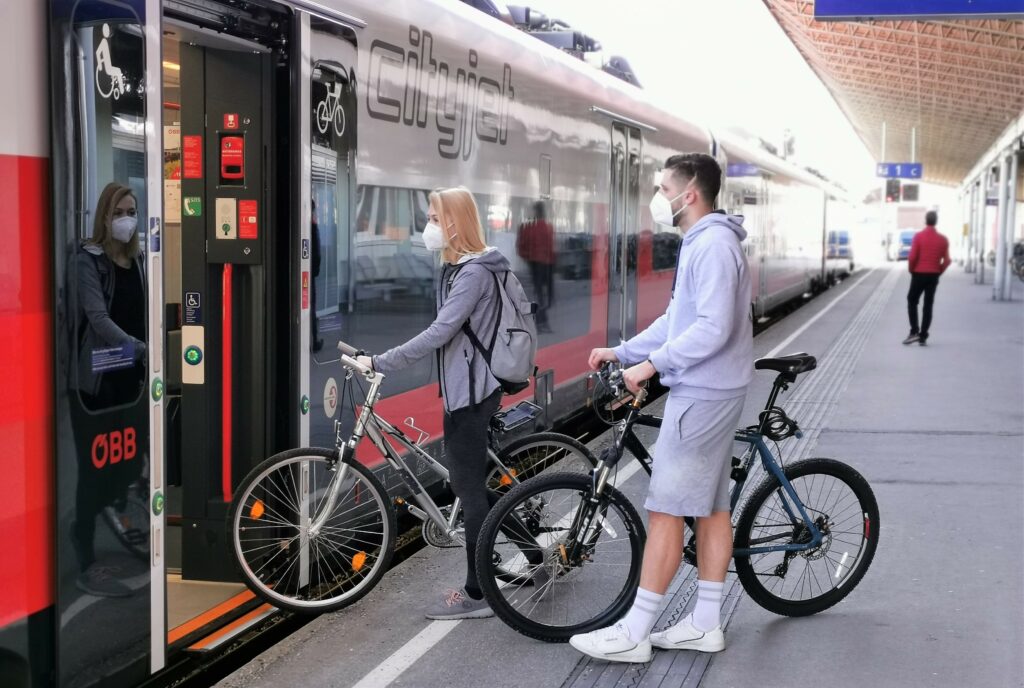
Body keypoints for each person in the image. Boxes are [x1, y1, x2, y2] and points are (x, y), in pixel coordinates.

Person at [570, 153, 753, 662]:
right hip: (714, 389)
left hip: (703, 393)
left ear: (689, 193)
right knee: (712, 509)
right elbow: (679, 318)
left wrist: (649, 368)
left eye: (662, 186)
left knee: (667, 509)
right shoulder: (705, 242)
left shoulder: (712, 245)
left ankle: (635, 632)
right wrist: (625, 351)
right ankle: (705, 623)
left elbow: (711, 328)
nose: (657, 195)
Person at [357, 187, 516, 619]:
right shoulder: (460, 268)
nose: (425, 226)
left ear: (453, 223)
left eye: (432, 217)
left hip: (473, 392)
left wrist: (381, 361)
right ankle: (531, 555)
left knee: (466, 488)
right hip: (467, 388)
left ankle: (478, 592)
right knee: (472, 485)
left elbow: (439, 332)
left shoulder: (474, 273)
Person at [67, 182, 148, 597]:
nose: (126, 219)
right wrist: (138, 347)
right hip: (98, 379)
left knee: (128, 460)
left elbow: (143, 311)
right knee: (93, 471)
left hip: (130, 378)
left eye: (131, 211)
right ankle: (84, 548)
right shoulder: (89, 260)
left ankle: (115, 518)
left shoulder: (135, 260)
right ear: (104, 216)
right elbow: (97, 318)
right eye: (119, 212)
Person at [903, 210, 950, 346]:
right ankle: (923, 336)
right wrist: (938, 271)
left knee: (912, 300)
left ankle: (914, 332)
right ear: (936, 222)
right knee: (928, 305)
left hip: (918, 274)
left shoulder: (918, 236)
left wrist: (911, 270)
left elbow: (912, 257)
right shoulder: (943, 239)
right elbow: (947, 260)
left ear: (925, 221)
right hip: (933, 275)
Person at [516, 200, 555, 332]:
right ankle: (542, 321)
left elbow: (521, 246)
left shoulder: (528, 228)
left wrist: (528, 258)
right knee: (543, 294)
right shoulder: (547, 227)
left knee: (538, 293)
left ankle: (540, 321)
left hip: (534, 263)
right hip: (546, 264)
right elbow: (550, 248)